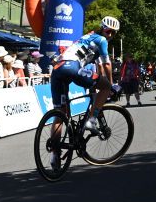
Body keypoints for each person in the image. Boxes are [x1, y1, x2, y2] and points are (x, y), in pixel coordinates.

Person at [47, 17, 119, 168]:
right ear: (103, 29)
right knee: (105, 87)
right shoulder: (102, 40)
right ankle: (91, 120)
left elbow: (96, 67)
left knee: (61, 113)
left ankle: (55, 154)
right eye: (109, 31)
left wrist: (93, 86)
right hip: (73, 67)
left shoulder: (87, 37)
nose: (110, 35)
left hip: (58, 70)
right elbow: (106, 64)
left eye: (113, 33)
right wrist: (111, 84)